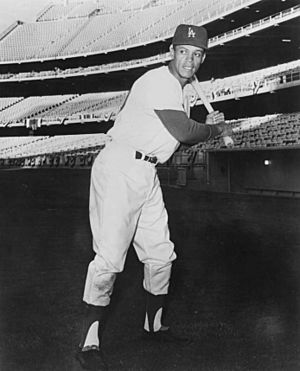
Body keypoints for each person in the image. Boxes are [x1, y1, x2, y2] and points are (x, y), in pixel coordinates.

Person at [76, 24, 233, 370]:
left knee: (161, 254)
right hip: (120, 167)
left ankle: (154, 325)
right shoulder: (157, 81)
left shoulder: (184, 89)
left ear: (202, 58)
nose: (190, 60)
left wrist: (206, 125)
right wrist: (215, 129)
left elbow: (180, 133)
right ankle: (89, 343)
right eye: (184, 52)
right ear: (171, 52)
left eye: (197, 55)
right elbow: (185, 131)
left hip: (147, 171)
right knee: (110, 258)